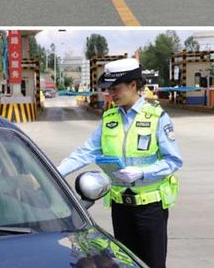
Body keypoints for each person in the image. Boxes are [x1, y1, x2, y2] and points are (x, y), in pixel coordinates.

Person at [57, 59, 182, 268]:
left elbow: (173, 160)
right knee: (124, 264)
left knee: (152, 264)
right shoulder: (109, 119)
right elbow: (84, 153)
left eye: (116, 89)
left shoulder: (157, 118)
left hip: (150, 209)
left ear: (133, 85)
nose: (111, 94)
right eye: (109, 89)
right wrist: (54, 173)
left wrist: (142, 172)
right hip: (120, 207)